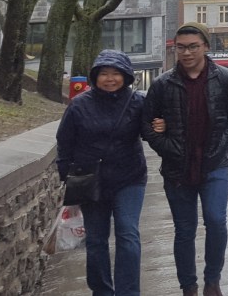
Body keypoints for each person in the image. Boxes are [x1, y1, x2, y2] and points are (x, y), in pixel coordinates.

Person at [142, 25, 228, 296]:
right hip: (177, 170)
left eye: (193, 46)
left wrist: (222, 145)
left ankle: (212, 281)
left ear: (205, 47)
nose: (186, 52)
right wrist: (166, 147)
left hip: (214, 165)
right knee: (184, 230)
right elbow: (145, 123)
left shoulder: (226, 79)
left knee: (215, 221)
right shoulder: (162, 84)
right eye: (181, 47)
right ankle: (188, 287)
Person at [55, 49, 152, 296]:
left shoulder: (138, 102)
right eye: (104, 73)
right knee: (97, 241)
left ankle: (128, 292)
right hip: (91, 181)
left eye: (116, 73)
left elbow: (151, 132)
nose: (110, 79)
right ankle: (102, 291)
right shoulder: (79, 105)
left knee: (128, 235)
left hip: (129, 178)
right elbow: (64, 143)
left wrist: (160, 126)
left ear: (126, 76)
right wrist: (67, 179)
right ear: (95, 77)